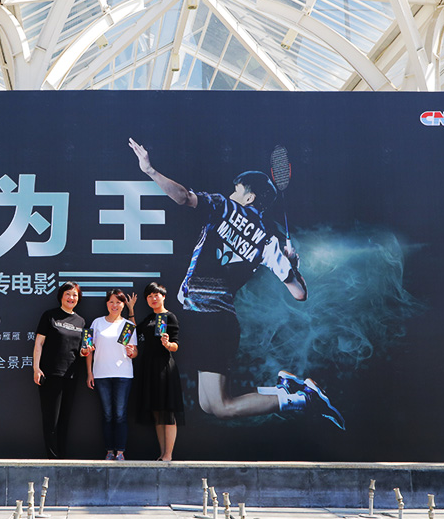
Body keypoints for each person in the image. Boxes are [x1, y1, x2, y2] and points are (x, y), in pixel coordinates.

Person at [128, 137, 344, 429]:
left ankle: (304, 399)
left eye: (237, 190)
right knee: (208, 404)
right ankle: (288, 390)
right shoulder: (269, 243)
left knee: (221, 406)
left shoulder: (222, 206)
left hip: (210, 321)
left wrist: (150, 171)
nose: (232, 193)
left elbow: (183, 197)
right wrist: (293, 264)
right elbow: (300, 293)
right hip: (217, 321)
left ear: (249, 198)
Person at [32, 281, 86, 458]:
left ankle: (62, 458)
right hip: (51, 373)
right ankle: (52, 459)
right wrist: (36, 368)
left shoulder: (81, 321)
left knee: (65, 419)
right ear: (61, 296)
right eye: (68, 294)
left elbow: (80, 350)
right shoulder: (50, 315)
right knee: (51, 419)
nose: (71, 298)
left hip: (71, 375)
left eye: (75, 295)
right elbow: (39, 343)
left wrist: (85, 352)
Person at [84, 289, 138, 461]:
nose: (115, 305)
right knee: (107, 414)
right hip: (101, 374)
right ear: (107, 304)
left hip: (123, 374)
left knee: (120, 414)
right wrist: (89, 372)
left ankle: (120, 452)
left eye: (118, 302)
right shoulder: (97, 323)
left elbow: (135, 352)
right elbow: (88, 350)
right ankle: (109, 451)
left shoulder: (128, 325)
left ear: (123, 304)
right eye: (111, 302)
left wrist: (131, 352)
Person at [135, 282, 184, 461]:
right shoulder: (149, 318)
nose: (153, 299)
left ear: (163, 296)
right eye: (149, 296)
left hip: (164, 367)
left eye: (156, 295)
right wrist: (131, 310)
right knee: (157, 412)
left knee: (167, 412)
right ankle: (162, 453)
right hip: (149, 367)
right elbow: (135, 332)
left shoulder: (170, 317)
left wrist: (168, 344)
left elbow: (176, 345)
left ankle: (168, 455)